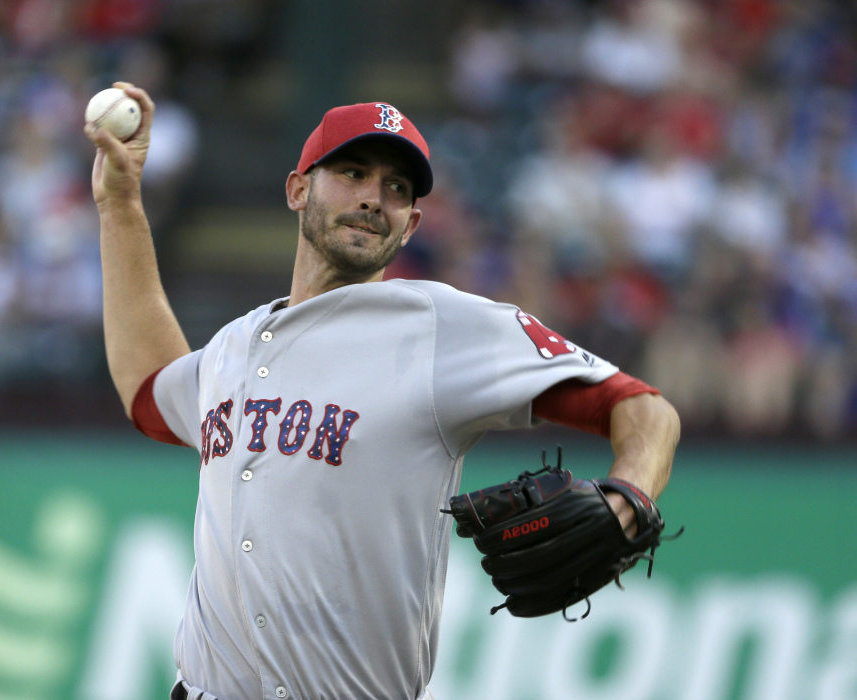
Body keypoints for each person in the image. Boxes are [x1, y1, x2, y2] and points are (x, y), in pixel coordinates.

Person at [85, 83, 680, 700]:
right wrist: (120, 204)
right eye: (352, 172)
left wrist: (630, 496)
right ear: (297, 189)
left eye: (397, 188)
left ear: (412, 223)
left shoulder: (441, 326)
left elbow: (641, 407)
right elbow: (150, 394)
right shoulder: (236, 343)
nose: (374, 198)